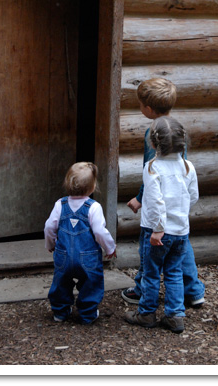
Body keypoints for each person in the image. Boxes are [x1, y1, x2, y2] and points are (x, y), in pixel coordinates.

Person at [122, 77, 205, 308]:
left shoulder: (153, 134)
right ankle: (194, 291)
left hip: (159, 202)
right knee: (181, 245)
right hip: (178, 202)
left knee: (149, 247)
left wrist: (139, 198)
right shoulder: (177, 130)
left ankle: (141, 289)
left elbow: (151, 173)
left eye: (140, 104)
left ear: (148, 109)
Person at [124, 116, 199, 333]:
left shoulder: (152, 168)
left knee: (151, 272)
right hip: (181, 232)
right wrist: (179, 215)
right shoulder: (188, 167)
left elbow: (156, 202)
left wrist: (158, 229)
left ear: (154, 143)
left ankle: (146, 313)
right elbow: (192, 196)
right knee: (174, 272)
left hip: (157, 232)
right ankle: (175, 316)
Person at [44, 162, 116, 325]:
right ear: (92, 187)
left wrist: (50, 244)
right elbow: (99, 231)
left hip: (63, 256)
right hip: (88, 258)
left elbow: (49, 226)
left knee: (61, 282)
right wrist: (110, 248)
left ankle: (60, 312)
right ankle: (88, 313)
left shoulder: (60, 205)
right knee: (91, 283)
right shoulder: (94, 207)